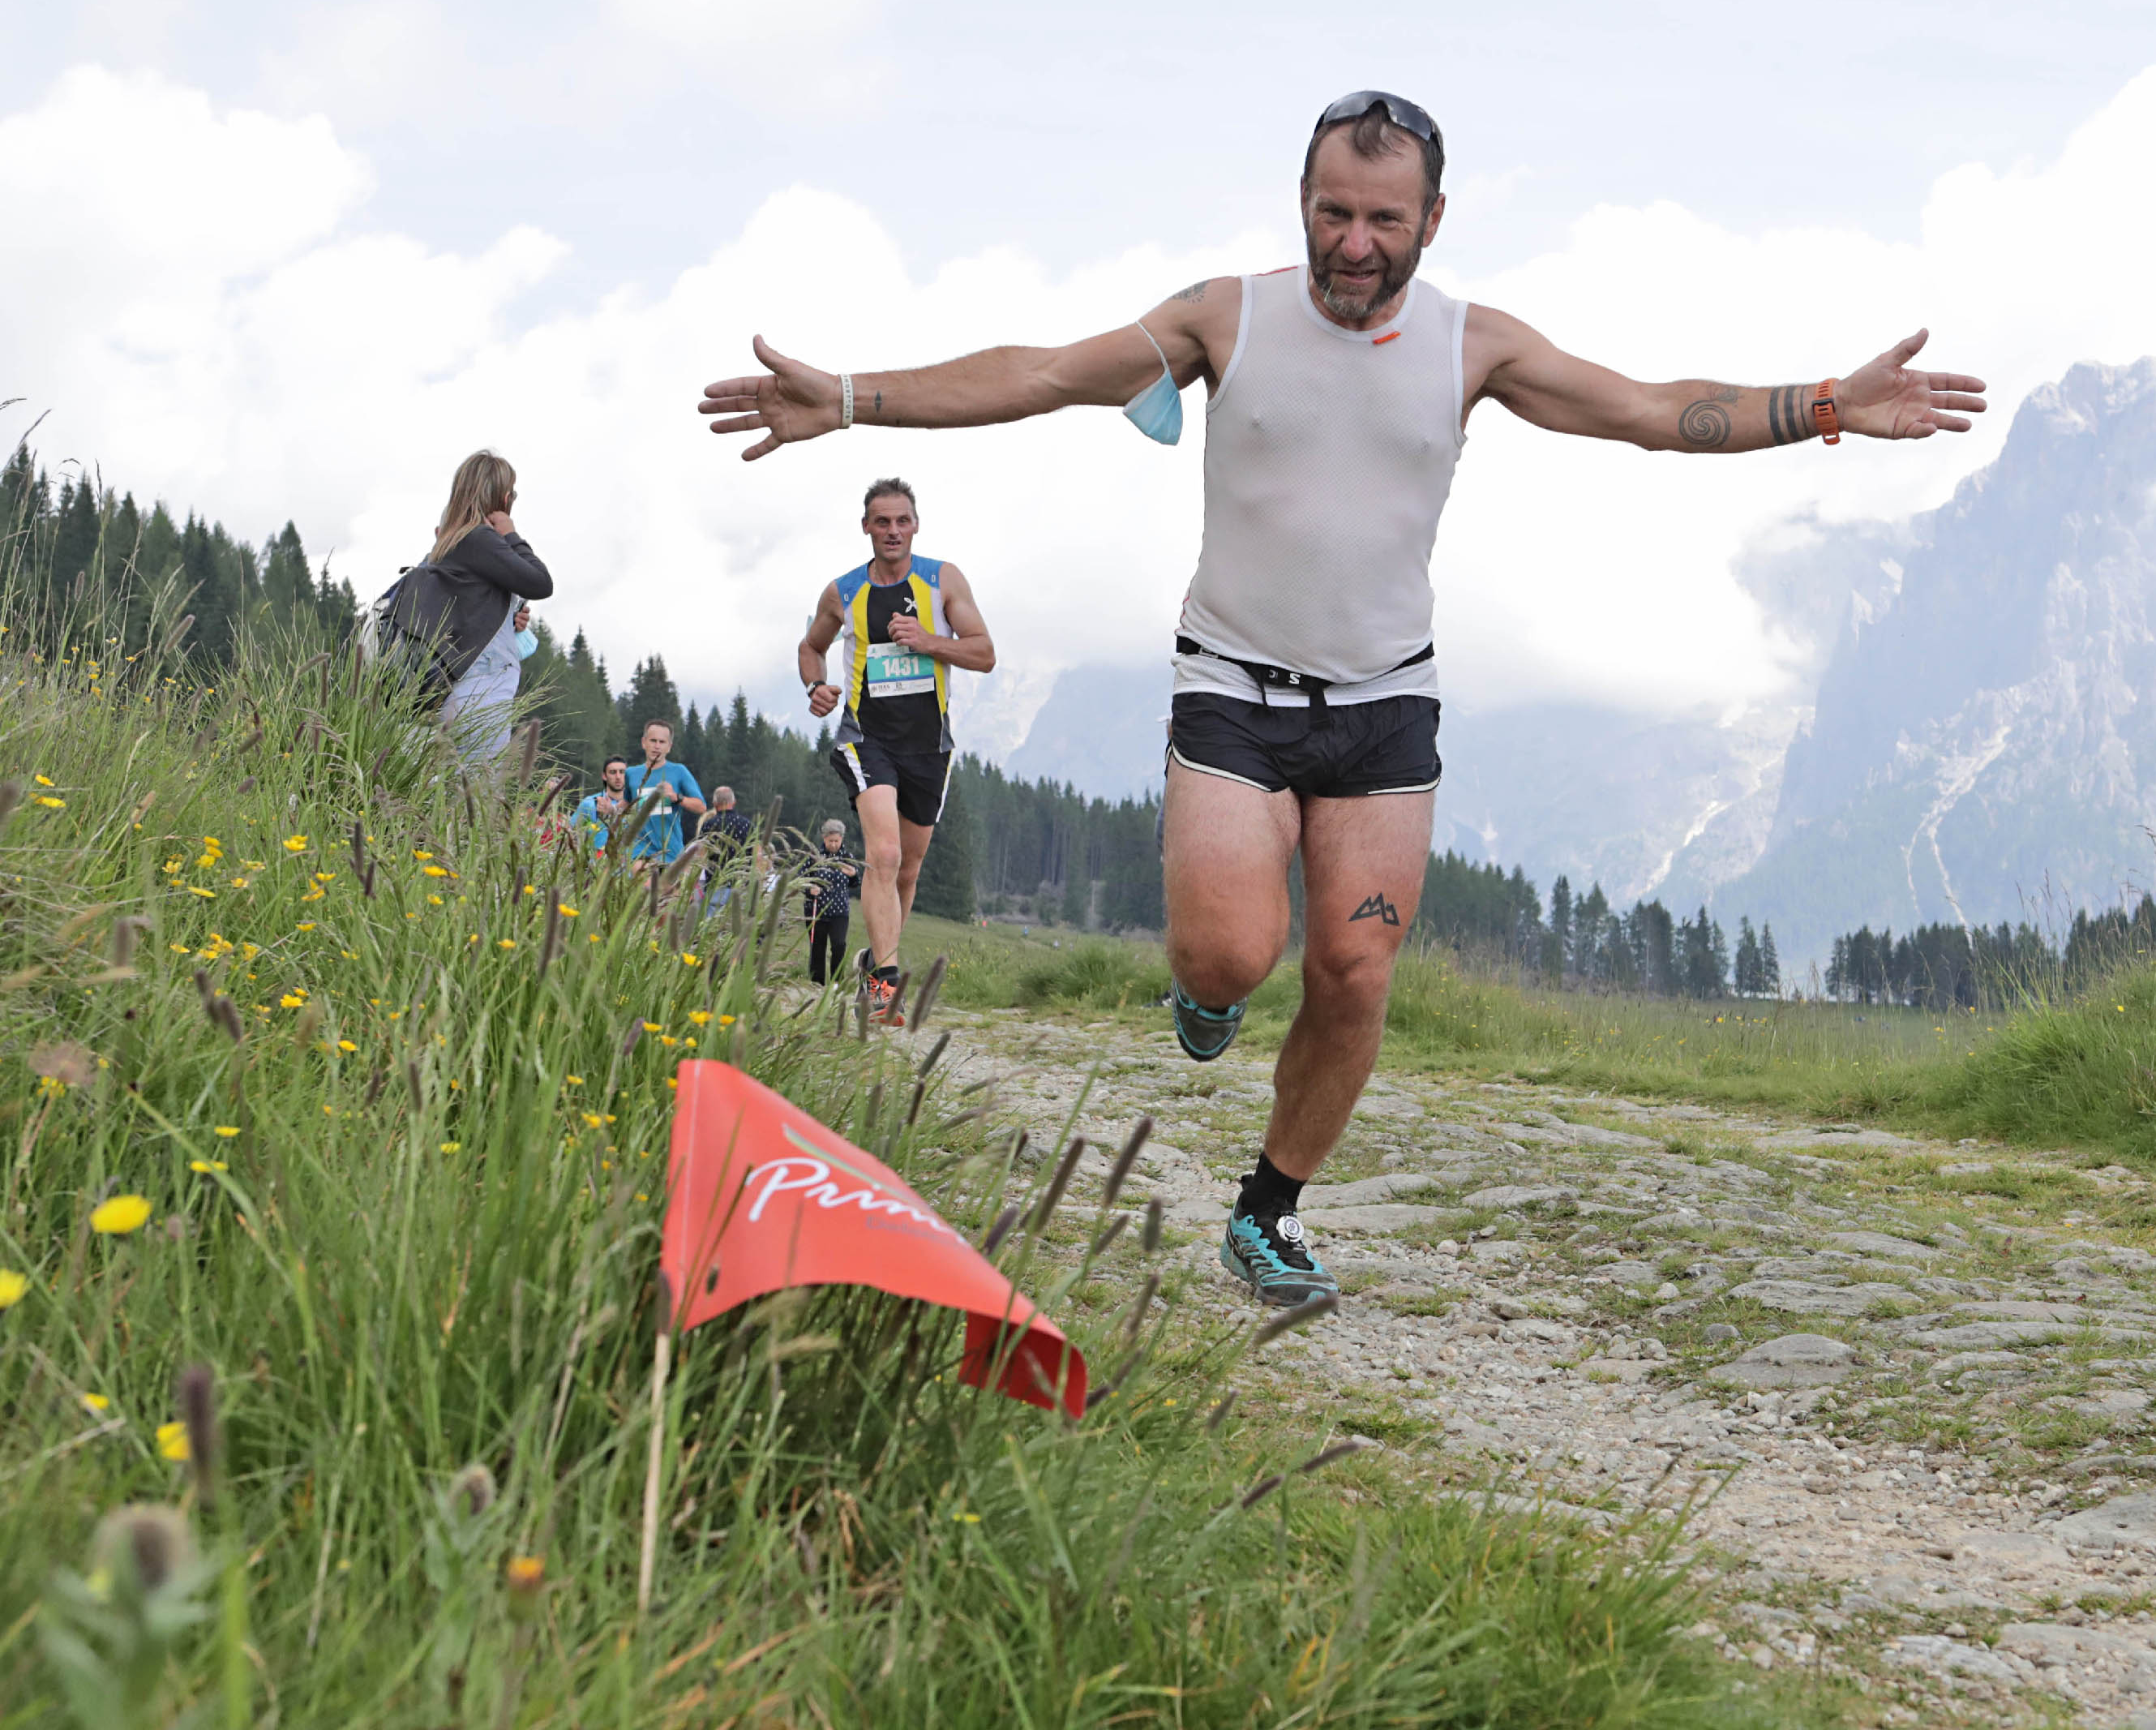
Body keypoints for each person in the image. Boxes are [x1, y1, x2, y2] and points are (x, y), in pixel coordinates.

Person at [700, 90, 1985, 1308]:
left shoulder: (1476, 345)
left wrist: (1827, 406)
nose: (1353, 243)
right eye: (1331, 211)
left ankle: (1269, 1210)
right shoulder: (1225, 318)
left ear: (1433, 219)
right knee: (1227, 955)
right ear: (1300, 202)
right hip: (1233, 690)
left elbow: (1651, 411)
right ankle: (1202, 991)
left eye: (1382, 218)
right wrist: (855, 399)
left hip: (1385, 704)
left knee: (1355, 968)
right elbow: (1042, 372)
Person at [792, 479, 994, 1022]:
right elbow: (811, 646)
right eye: (881, 522)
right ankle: (885, 984)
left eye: (902, 520)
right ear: (866, 528)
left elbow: (984, 653)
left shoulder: (942, 580)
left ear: (916, 525)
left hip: (929, 745)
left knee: (907, 870)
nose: (892, 531)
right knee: (883, 857)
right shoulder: (844, 591)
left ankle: (871, 963)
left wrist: (927, 640)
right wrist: (816, 688)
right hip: (867, 739)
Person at [393, 451, 552, 761]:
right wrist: (511, 534)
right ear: (503, 497)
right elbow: (540, 582)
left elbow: (460, 607)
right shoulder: (480, 538)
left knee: (448, 792)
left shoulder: (450, 541)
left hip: (451, 679)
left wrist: (508, 619)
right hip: (482, 682)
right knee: (479, 791)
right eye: (513, 494)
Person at [621, 720, 705, 869]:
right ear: (644, 742)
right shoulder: (630, 774)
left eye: (662, 742)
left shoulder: (679, 772)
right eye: (653, 741)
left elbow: (701, 807)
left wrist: (676, 797)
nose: (657, 746)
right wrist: (611, 810)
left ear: (669, 747)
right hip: (639, 850)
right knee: (644, 887)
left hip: (670, 851)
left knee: (668, 892)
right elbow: (625, 805)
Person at [799, 818, 862, 984]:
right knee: (817, 947)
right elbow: (801, 879)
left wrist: (853, 875)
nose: (834, 844)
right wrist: (810, 889)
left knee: (839, 945)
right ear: (824, 838)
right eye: (830, 841)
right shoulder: (814, 856)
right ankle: (817, 983)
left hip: (840, 911)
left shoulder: (848, 858)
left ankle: (836, 982)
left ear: (842, 839)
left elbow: (856, 884)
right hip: (816, 909)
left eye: (837, 841)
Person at [568, 758, 630, 852]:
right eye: (613, 772)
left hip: (628, 863)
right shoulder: (590, 803)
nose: (618, 777)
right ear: (604, 776)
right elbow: (571, 833)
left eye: (622, 772)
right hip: (596, 864)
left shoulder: (636, 804)